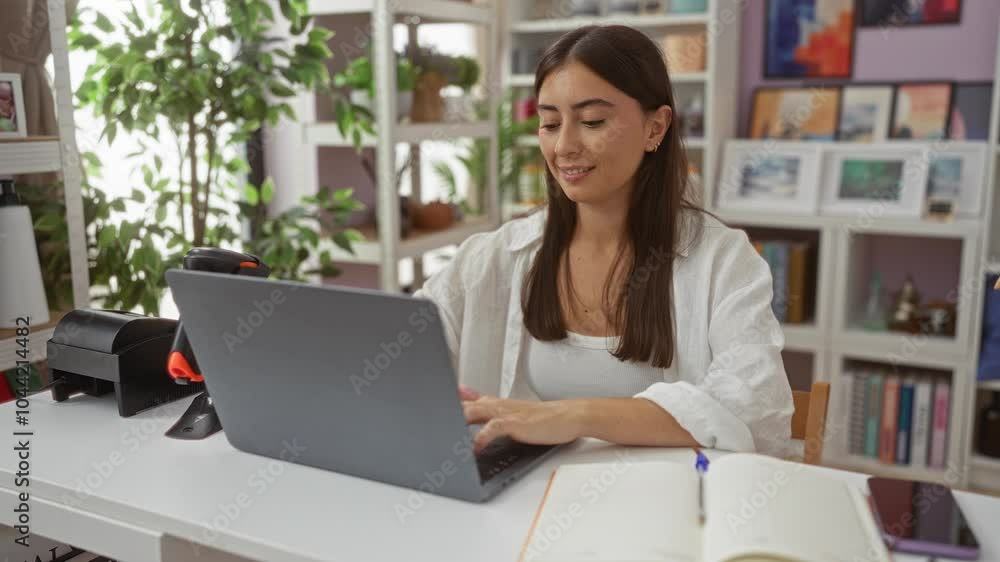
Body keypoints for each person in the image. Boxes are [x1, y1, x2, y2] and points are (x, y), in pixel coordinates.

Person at [413, 25, 794, 458]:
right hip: (528, 507)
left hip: (666, 506)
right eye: (550, 123)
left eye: (592, 121)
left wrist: (572, 416)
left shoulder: (724, 261)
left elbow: (754, 410)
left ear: (656, 127)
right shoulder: (497, 254)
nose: (564, 146)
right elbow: (406, 340)